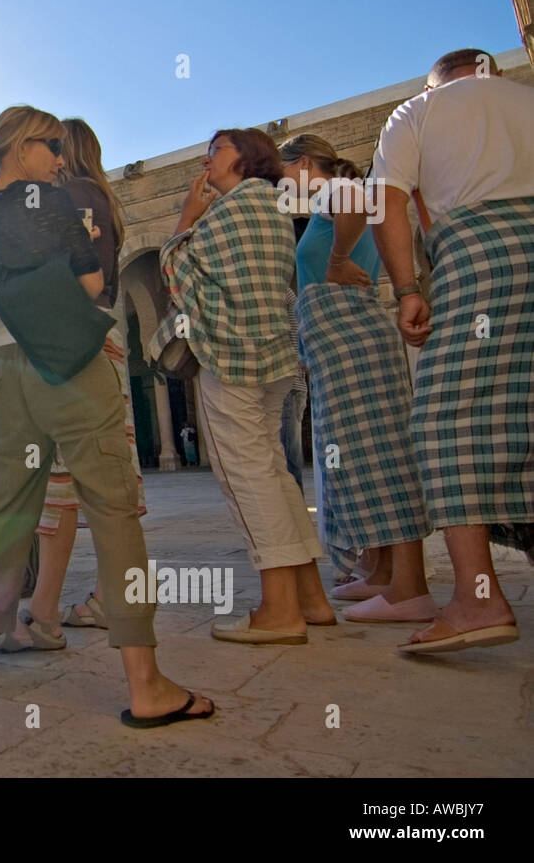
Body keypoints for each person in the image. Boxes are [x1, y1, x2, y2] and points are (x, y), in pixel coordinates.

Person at [0, 104, 213, 728]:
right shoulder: (56, 202)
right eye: (49, 147)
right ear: (19, 147)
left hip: (7, 375)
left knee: (2, 511)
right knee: (113, 509)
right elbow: (94, 284)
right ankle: (146, 684)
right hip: (69, 366)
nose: (59, 159)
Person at [370, 48, 533, 653]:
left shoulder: (417, 110)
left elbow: (386, 200)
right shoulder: (526, 97)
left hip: (481, 254)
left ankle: (477, 600)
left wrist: (408, 289)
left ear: (437, 81)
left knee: (447, 417)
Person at [151, 128, 334, 644]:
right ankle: (311, 598)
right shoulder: (271, 204)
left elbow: (176, 271)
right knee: (274, 474)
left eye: (216, 151)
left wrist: (187, 216)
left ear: (246, 158)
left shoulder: (233, 208)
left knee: (249, 479)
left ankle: (279, 610)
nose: (206, 159)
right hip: (273, 356)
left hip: (234, 360)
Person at [279, 133, 435, 623]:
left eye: (282, 171)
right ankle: (387, 575)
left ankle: (410, 589)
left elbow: (355, 203)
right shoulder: (330, 197)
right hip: (346, 342)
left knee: (381, 455)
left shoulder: (336, 190)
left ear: (303, 163)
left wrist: (337, 262)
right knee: (368, 455)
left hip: (351, 343)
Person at [19, 116, 148, 637]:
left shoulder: (74, 194)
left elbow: (81, 280)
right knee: (82, 484)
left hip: (76, 346)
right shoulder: (94, 195)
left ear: (63, 151)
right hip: (94, 342)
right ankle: (73, 604)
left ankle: (56, 610)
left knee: (68, 485)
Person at [280, 287, 307, 494]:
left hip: (288, 385)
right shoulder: (285, 292)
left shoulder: (281, 292)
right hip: (290, 384)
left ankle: (295, 500)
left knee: (289, 451)